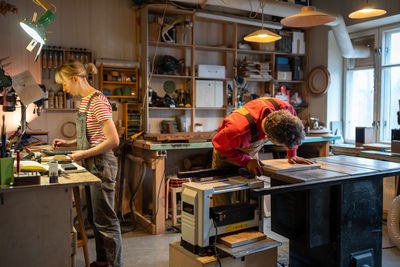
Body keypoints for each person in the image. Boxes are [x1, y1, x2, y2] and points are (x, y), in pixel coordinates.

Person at [52, 60, 122, 267]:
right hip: (91, 162)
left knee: (106, 221)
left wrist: (81, 154)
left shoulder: (98, 101)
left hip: (102, 164)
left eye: (64, 83)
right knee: (94, 219)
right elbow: (94, 134)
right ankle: (103, 262)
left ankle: (113, 264)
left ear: (75, 79)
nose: (63, 89)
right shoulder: (85, 101)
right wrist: (71, 142)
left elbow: (113, 140)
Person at [211, 97, 312, 206]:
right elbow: (218, 143)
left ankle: (249, 220)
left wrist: (292, 154)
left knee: (251, 196)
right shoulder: (238, 132)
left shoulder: (286, 110)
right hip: (226, 152)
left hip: (248, 150)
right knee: (223, 200)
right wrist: (246, 161)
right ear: (268, 137)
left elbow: (292, 131)